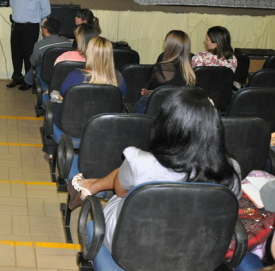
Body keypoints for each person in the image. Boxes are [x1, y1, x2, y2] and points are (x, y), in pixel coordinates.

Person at [71, 88, 241, 252]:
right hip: (197, 249)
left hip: (132, 247)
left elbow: (121, 192)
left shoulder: (141, 163)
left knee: (126, 184)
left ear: (167, 125)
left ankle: (92, 186)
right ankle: (92, 185)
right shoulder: (231, 169)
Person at [8, 0, 50, 90]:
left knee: (28, 55)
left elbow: (46, 12)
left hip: (30, 28)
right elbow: (12, 3)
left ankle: (28, 81)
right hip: (16, 26)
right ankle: (16, 77)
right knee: (16, 53)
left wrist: (35, 20)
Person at [133, 30, 196, 114]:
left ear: (168, 46)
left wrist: (148, 92)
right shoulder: (191, 73)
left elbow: (147, 91)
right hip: (180, 113)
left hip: (159, 111)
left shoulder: (159, 68)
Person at [58, 37, 126, 100]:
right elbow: (121, 99)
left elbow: (61, 98)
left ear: (88, 54)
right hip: (107, 113)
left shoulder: (74, 75)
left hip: (78, 112)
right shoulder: (119, 77)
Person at [22, 17, 71, 90]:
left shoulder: (39, 45)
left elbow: (33, 62)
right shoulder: (67, 41)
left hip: (46, 76)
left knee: (36, 65)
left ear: (45, 30)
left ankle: (27, 82)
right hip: (63, 74)